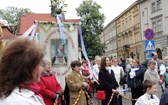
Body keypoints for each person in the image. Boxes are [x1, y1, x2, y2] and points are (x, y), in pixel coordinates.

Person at [0, 37, 45, 105]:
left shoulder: (14, 94)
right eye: (40, 65)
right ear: (28, 69)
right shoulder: (19, 102)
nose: (42, 69)